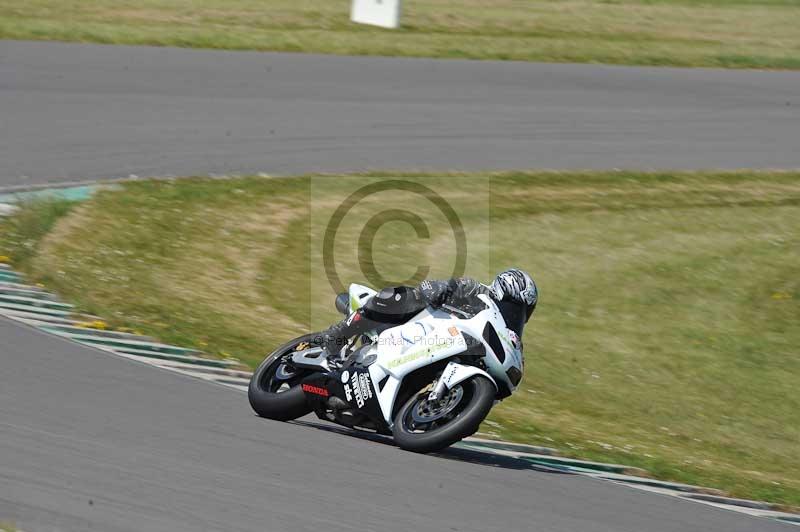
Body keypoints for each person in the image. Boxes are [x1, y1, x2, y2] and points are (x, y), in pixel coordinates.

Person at [321, 269, 538, 360]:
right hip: (419, 326)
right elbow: (443, 285)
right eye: (512, 307)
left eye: (520, 312)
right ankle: (338, 333)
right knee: (400, 296)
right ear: (499, 291)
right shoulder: (477, 290)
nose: (514, 315)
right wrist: (438, 290)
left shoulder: (505, 338)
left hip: (437, 349)